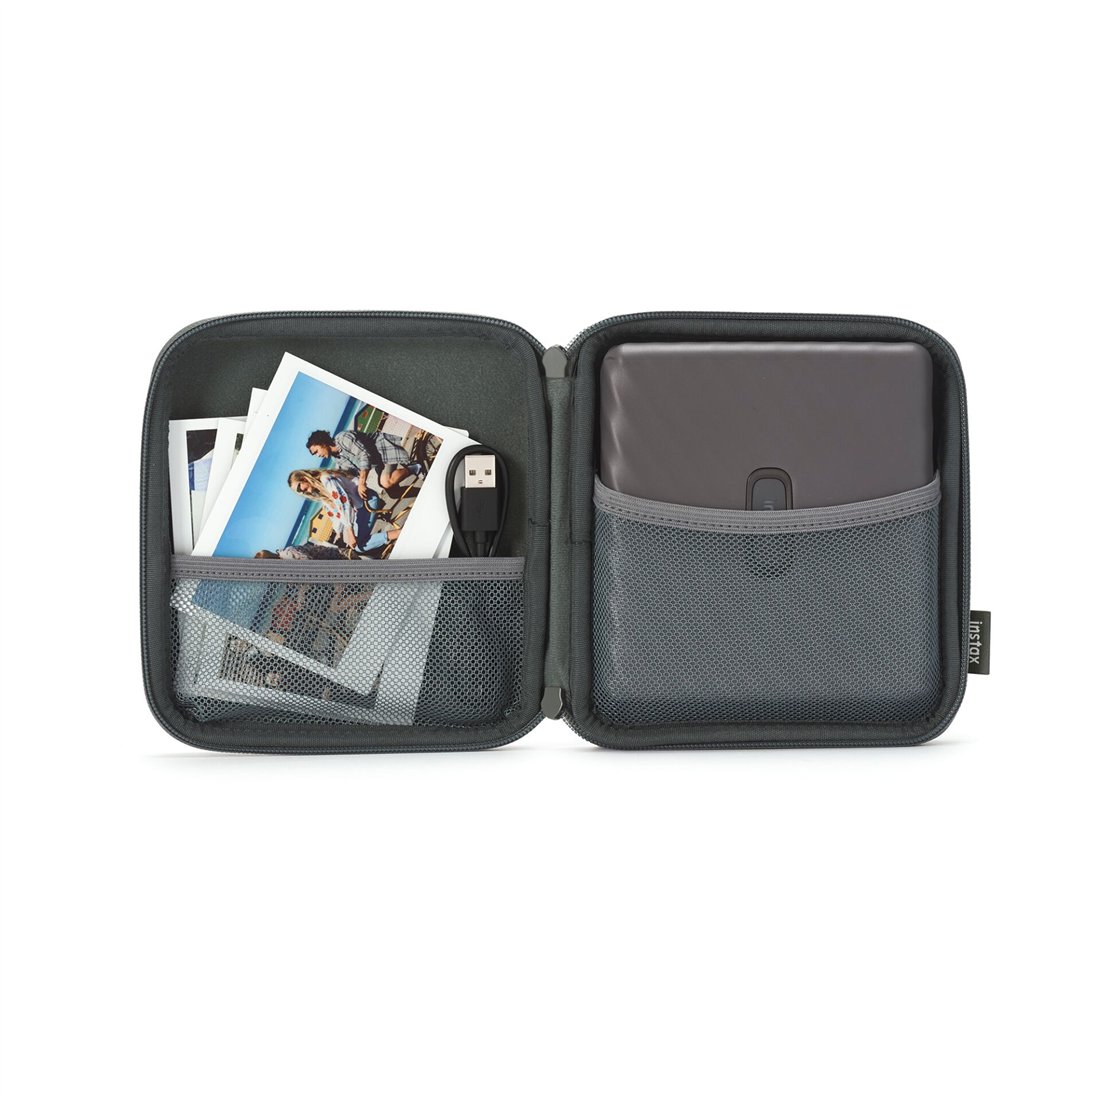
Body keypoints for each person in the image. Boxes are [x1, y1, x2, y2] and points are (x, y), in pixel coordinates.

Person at [288, 469, 401, 558]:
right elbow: (334, 514)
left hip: (367, 502)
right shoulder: (320, 490)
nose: (301, 492)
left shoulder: (326, 479)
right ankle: (388, 539)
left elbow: (344, 504)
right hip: (359, 508)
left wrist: (350, 531)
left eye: (299, 487)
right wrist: (339, 533)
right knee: (355, 544)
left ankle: (398, 533)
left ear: (303, 478)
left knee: (359, 545)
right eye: (299, 492)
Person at [306, 427, 424, 499]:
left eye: (316, 451)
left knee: (386, 482)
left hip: (383, 450)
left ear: (323, 443)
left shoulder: (343, 438)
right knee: (394, 494)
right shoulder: (336, 458)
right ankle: (422, 494)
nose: (318, 455)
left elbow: (365, 455)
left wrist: (362, 482)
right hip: (378, 462)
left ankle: (415, 467)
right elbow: (351, 473)